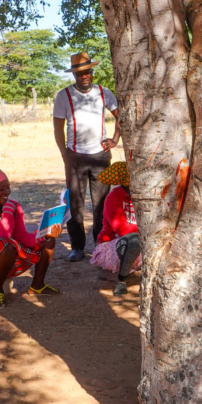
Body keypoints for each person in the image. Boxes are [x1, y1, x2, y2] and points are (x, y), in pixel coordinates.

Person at [53, 52, 121, 262]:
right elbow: (58, 128)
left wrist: (115, 139)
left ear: (92, 72)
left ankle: (100, 244)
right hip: (75, 157)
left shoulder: (104, 93)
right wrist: (65, 154)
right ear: (74, 75)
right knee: (75, 204)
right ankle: (78, 247)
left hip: (101, 157)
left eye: (88, 72)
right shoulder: (63, 96)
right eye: (80, 73)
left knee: (101, 204)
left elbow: (121, 116)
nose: (85, 76)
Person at [0, 164, 61, 308]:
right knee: (5, 244)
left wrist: (43, 235)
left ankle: (37, 286)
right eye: (1, 189)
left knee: (48, 241)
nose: (7, 192)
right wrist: (8, 212)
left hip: (5, 259)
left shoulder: (13, 206)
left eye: (8, 188)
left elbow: (22, 236)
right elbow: (0, 236)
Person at [90, 162, 142, 296]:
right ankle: (122, 281)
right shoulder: (113, 197)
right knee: (133, 240)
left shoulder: (144, 197)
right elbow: (122, 230)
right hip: (111, 246)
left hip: (140, 243)